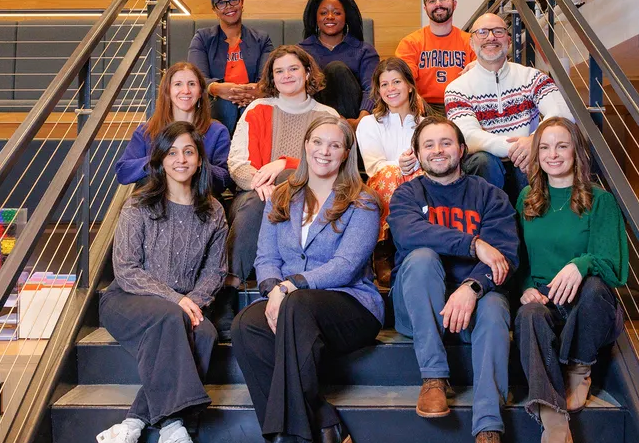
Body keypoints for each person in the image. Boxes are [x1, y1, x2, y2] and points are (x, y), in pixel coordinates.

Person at [231, 114, 382, 443]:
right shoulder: (283, 196)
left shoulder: (362, 202)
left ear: (347, 153)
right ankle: (324, 424)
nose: (324, 151)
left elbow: (345, 267)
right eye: (318, 142)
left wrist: (288, 287)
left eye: (335, 144)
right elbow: (265, 257)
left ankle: (290, 442)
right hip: (294, 305)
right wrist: (272, 288)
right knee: (245, 325)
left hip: (350, 306)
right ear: (305, 145)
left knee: (297, 305)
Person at [387, 116, 519, 443]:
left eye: (446, 143)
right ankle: (433, 377)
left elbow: (505, 254)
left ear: (461, 150)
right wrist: (472, 244)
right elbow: (410, 233)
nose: (438, 150)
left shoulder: (490, 196)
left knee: (494, 306)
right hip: (418, 310)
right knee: (421, 256)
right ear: (417, 153)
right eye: (428, 144)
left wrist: (472, 288)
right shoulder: (407, 194)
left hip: (472, 311)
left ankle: (489, 433)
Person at [96, 121, 228, 443]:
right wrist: (176, 300)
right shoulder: (138, 205)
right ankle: (172, 435)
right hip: (127, 299)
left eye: (189, 151)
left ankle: (131, 428)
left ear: (200, 160)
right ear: (160, 160)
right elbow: (125, 269)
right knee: (173, 318)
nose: (181, 159)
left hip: (178, 308)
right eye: (172, 152)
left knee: (205, 334)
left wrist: (193, 301)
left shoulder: (213, 211)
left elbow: (215, 272)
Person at [514, 116, 628, 443]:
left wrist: (582, 264)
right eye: (544, 147)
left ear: (576, 152)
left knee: (594, 287)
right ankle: (555, 433)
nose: (553, 154)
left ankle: (579, 367)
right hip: (547, 304)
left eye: (562, 145)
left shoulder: (601, 201)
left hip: (588, 309)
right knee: (529, 313)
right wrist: (527, 287)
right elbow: (521, 262)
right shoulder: (527, 200)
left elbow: (614, 271)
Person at [225, 45, 338, 287]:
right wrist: (261, 184)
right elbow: (237, 163)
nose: (286, 75)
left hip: (309, 197)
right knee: (259, 202)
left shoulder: (327, 116)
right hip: (254, 194)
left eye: (293, 69)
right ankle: (230, 287)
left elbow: (334, 165)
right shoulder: (257, 109)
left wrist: (286, 163)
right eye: (279, 71)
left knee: (286, 180)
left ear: (307, 73)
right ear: (272, 78)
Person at [444, 12, 573, 203]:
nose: (490, 37)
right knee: (484, 161)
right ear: (471, 43)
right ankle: (489, 226)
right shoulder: (457, 89)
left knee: (530, 160)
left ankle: (531, 227)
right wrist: (516, 147)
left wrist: (533, 141)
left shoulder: (531, 77)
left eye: (498, 31)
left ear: (509, 40)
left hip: (526, 161)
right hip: (487, 166)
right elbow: (467, 135)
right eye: (482, 32)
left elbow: (563, 113)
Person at [355, 57, 424, 285]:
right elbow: (375, 166)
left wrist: (414, 167)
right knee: (391, 175)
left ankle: (416, 246)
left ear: (409, 85)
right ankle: (384, 248)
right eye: (384, 84)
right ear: (378, 90)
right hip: (383, 184)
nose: (391, 89)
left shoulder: (425, 125)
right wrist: (404, 167)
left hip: (418, 185)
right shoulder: (369, 124)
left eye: (397, 82)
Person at [115, 62, 231, 193]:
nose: (186, 90)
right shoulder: (145, 131)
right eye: (178, 84)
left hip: (198, 203)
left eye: (192, 84)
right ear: (168, 91)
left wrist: (195, 163)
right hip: (154, 205)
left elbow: (224, 179)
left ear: (200, 92)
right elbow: (123, 172)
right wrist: (160, 160)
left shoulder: (217, 131)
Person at [188, 0, 274, 135]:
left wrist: (254, 91)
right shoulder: (203, 38)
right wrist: (218, 88)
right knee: (227, 106)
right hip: (216, 102)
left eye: (233, 0)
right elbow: (197, 77)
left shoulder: (261, 39)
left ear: (242, 3)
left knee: (251, 108)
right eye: (221, 3)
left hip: (252, 100)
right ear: (214, 9)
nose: (229, 6)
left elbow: (266, 79)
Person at [298, 0, 380, 124]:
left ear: (346, 17)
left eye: (337, 13)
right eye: (323, 13)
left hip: (355, 120)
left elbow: (372, 89)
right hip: (314, 120)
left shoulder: (364, 50)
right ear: (315, 18)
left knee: (337, 69)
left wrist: (361, 120)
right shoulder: (300, 51)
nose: (330, 17)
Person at [395, 0, 475, 116]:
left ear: (454, 4)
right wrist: (412, 96)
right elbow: (403, 77)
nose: (438, 4)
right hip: (424, 105)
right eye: (432, 1)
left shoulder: (471, 42)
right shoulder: (410, 43)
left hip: (461, 104)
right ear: (425, 8)